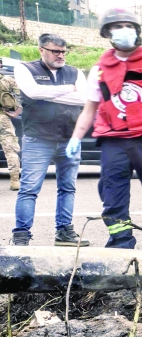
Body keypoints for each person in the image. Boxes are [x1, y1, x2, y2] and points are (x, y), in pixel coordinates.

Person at [67, 8, 142, 254]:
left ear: (136, 30)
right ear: (108, 33)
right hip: (114, 143)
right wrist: (75, 137)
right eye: (117, 26)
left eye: (128, 25)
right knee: (113, 201)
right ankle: (122, 250)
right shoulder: (99, 69)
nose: (123, 30)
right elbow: (90, 109)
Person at [11, 34, 89, 246]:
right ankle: (21, 236)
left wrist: (49, 95)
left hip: (69, 138)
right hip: (38, 139)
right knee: (29, 189)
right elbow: (33, 92)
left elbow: (85, 98)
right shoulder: (25, 68)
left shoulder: (74, 71)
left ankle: (64, 232)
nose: (60, 55)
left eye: (63, 51)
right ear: (41, 50)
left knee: (68, 188)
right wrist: (70, 89)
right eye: (55, 51)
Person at [0, 72, 20, 192]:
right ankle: (14, 181)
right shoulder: (8, 80)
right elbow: (21, 97)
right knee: (10, 150)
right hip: (3, 118)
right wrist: (16, 112)